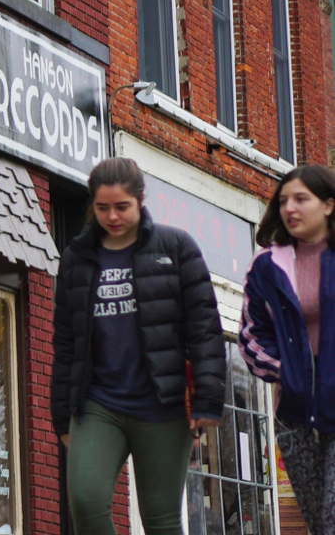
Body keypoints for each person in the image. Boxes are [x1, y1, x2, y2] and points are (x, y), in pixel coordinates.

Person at [51, 157, 225, 535]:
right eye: (102, 208)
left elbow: (205, 327)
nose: (112, 216)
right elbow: (65, 341)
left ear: (141, 200)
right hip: (98, 404)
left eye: (121, 207)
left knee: (161, 520)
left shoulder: (176, 247)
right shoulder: (76, 259)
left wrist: (209, 399)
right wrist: (62, 413)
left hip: (162, 404)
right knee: (85, 500)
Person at [242, 165, 335, 535]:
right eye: (283, 201)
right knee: (318, 524)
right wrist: (285, 371)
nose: (290, 209)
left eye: (301, 199)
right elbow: (251, 335)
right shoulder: (267, 267)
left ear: (328, 205)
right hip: (294, 416)